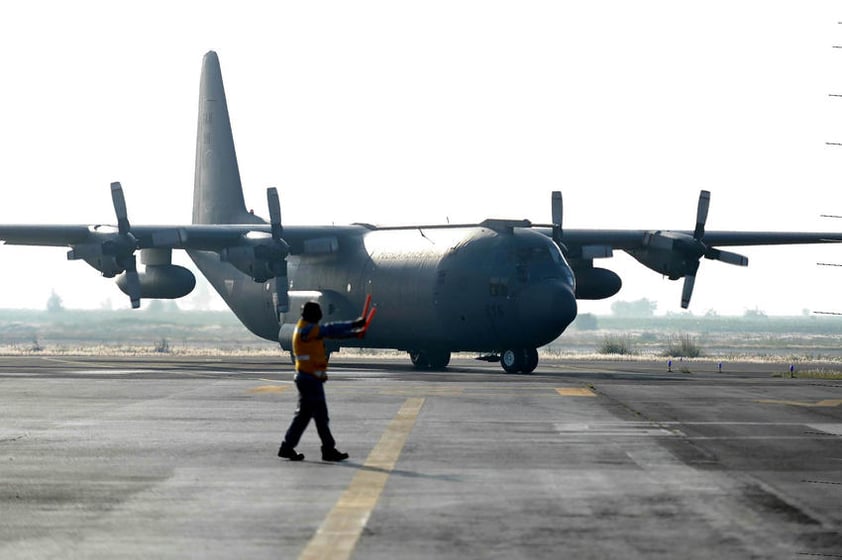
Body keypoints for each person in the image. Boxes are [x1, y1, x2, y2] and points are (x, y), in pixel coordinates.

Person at [278, 301, 365, 462]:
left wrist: (352, 334)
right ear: (312, 315)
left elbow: (329, 333)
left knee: (306, 416)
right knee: (320, 416)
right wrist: (353, 325)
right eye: (318, 313)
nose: (320, 316)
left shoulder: (306, 329)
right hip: (309, 380)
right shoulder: (307, 329)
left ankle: (288, 447)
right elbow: (329, 329)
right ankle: (327, 449)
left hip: (309, 379)